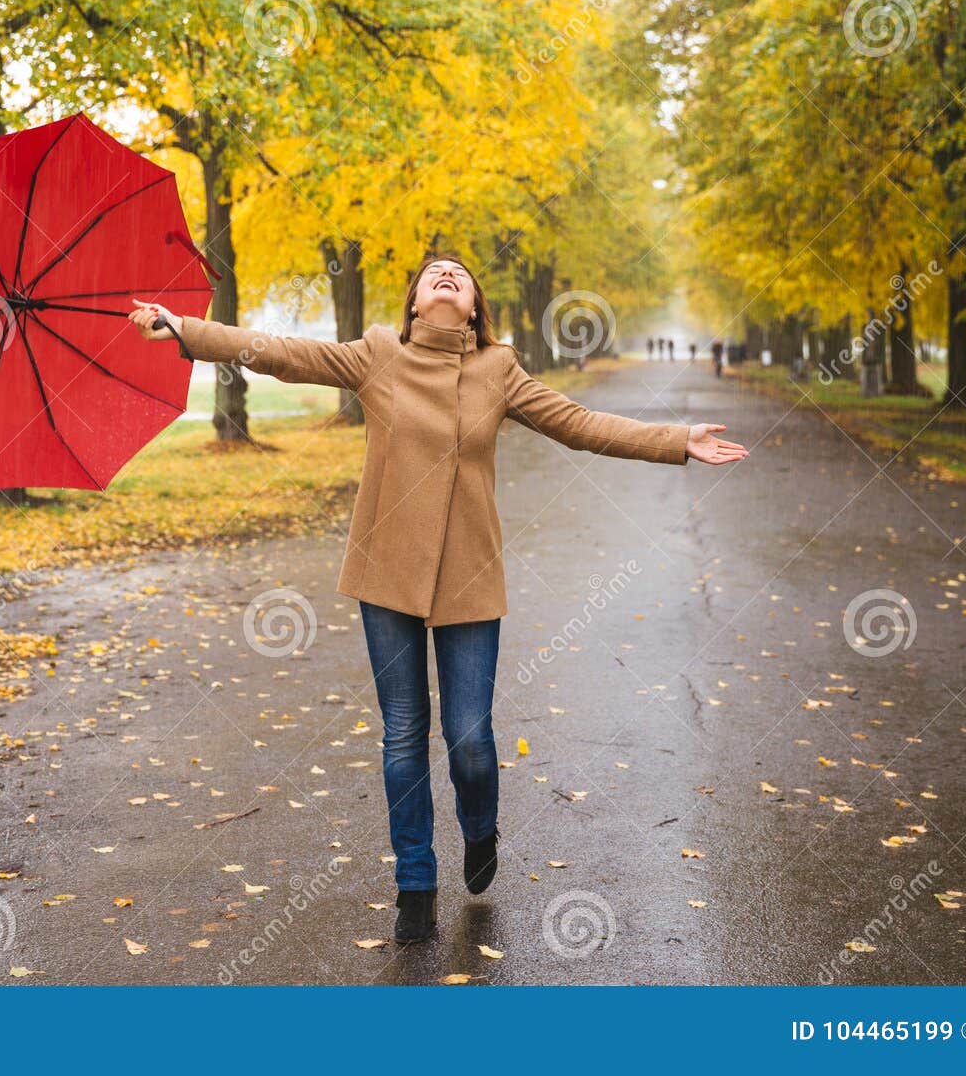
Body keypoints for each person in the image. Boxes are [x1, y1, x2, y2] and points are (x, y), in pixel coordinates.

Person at [128, 254, 748, 945]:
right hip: (385, 568)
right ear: (415, 302)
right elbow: (277, 351)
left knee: (471, 738)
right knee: (402, 731)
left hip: (469, 574)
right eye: (433, 273)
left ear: (476, 304)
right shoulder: (377, 354)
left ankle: (480, 827)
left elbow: (578, 422)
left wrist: (676, 440)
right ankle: (415, 881)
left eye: (458, 273)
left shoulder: (499, 369)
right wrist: (181, 326)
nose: (446, 276)